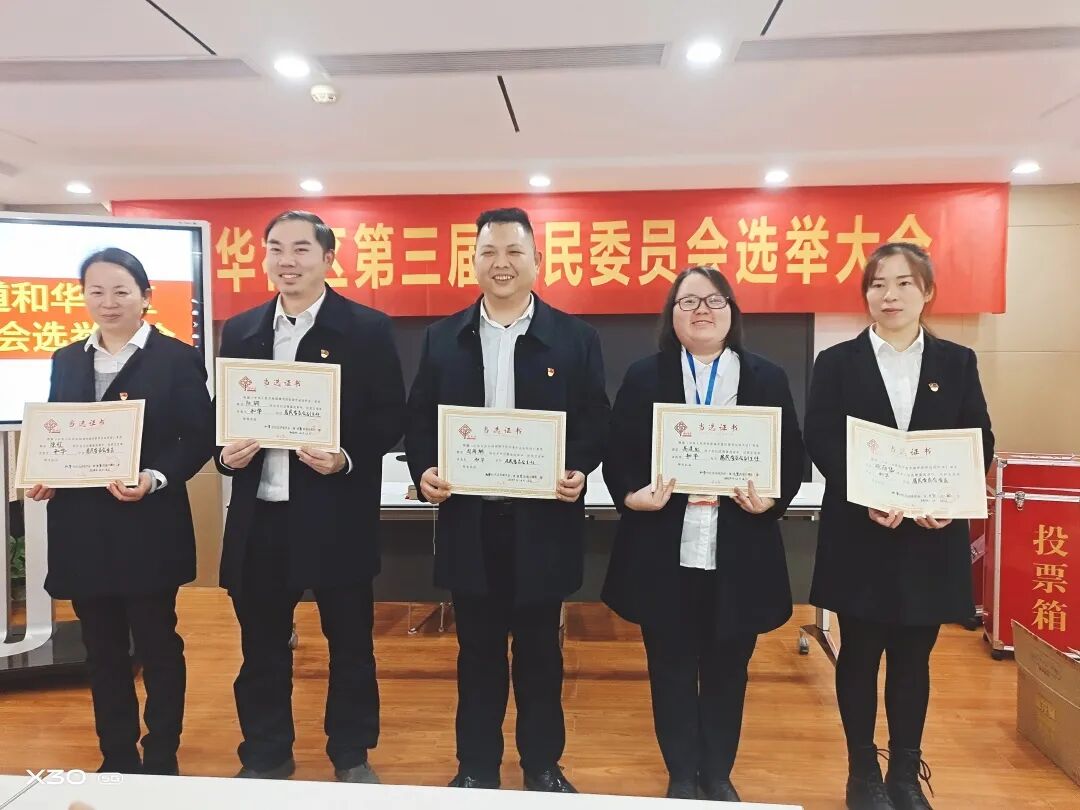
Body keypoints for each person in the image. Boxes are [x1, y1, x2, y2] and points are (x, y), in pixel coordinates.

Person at [404, 207, 610, 792]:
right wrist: (425, 470)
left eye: (514, 252)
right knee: (477, 653)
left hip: (543, 523)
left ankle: (542, 765)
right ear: (472, 262)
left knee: (541, 652)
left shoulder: (576, 338)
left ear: (537, 261)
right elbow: (419, 420)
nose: (501, 263)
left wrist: (578, 468)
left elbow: (597, 420)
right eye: (489, 252)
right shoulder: (442, 338)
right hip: (471, 522)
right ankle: (476, 766)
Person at [600, 266, 805, 801]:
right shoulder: (645, 376)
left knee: (728, 668)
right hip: (663, 547)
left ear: (732, 312)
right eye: (688, 302)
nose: (701, 311)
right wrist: (632, 495)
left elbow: (792, 458)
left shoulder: (766, 378)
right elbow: (617, 454)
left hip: (739, 550)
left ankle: (717, 773)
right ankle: (681, 774)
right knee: (668, 667)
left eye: (714, 301)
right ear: (672, 316)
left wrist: (771, 500)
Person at [215, 211, 405, 782]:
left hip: (335, 516)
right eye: (275, 248)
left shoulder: (366, 329)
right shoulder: (241, 330)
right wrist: (225, 456)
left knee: (350, 645)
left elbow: (389, 417)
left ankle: (350, 753)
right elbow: (223, 418)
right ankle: (266, 753)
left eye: (301, 249)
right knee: (261, 648)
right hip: (260, 518)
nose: (287, 261)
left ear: (328, 258)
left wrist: (345, 456)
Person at [805, 243, 994, 810]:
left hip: (929, 535)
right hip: (860, 531)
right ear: (865, 294)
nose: (889, 295)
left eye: (904, 283)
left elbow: (977, 438)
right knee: (859, 653)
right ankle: (863, 773)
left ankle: (905, 775)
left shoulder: (957, 362)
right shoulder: (837, 362)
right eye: (878, 284)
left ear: (927, 292)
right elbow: (820, 438)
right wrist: (865, 494)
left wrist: (950, 498)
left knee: (914, 657)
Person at [28, 247, 214, 775]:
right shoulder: (66, 358)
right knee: (101, 649)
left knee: (157, 645)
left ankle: (162, 753)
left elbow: (198, 435)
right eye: (96, 291)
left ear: (145, 297)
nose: (108, 302)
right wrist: (49, 473)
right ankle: (116, 756)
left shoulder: (176, 358)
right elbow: (58, 433)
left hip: (147, 526)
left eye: (120, 291)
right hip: (82, 530)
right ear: (84, 296)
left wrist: (155, 477)